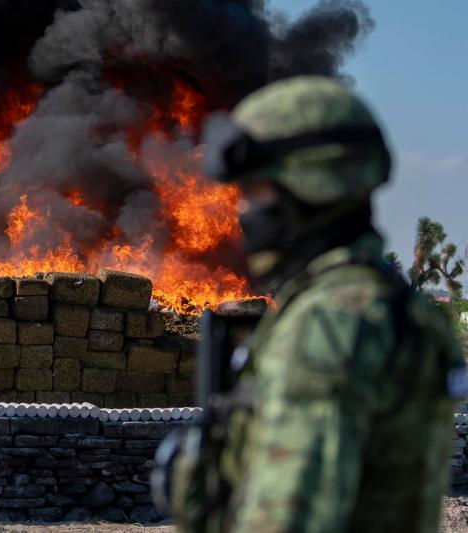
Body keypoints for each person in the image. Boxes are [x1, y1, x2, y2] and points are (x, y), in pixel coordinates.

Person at [166, 76, 465, 532]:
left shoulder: (328, 324)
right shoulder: (402, 309)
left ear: (312, 183)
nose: (244, 212)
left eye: (257, 192)